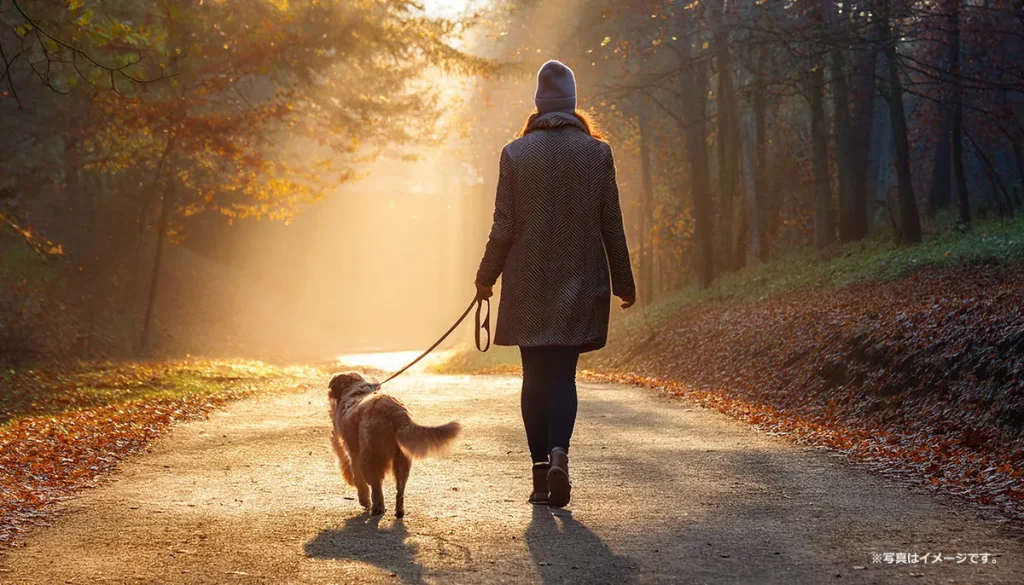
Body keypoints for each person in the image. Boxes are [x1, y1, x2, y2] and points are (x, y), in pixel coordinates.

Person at [474, 60, 636, 508]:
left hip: (527, 283)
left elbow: (503, 227)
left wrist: (486, 277)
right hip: (579, 280)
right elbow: (612, 225)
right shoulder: (597, 153)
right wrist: (625, 282)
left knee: (534, 377)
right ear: (573, 104)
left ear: (538, 105)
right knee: (563, 375)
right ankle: (561, 451)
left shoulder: (515, 153)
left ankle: (541, 476)